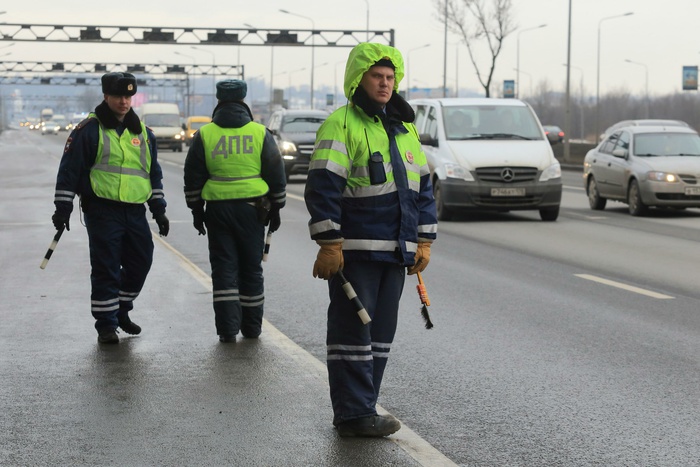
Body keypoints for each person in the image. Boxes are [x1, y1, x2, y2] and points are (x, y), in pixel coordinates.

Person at [304, 43, 438, 437]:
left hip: (396, 253)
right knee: (352, 336)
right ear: (359, 79)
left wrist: (423, 241)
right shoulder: (341, 124)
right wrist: (330, 242)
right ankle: (353, 414)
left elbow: (423, 188)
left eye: (390, 77)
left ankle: (363, 407)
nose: (385, 83)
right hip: (356, 252)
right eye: (377, 76)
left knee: (379, 337)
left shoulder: (405, 128)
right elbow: (323, 187)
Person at [51, 72, 169, 345]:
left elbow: (153, 174)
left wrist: (159, 209)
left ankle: (120, 310)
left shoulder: (144, 134)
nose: (124, 102)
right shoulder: (88, 130)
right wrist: (62, 208)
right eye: (118, 96)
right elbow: (69, 171)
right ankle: (106, 325)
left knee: (141, 262)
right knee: (106, 267)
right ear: (106, 96)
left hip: (135, 211)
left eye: (128, 96)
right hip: (102, 210)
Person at [183, 79, 286, 343]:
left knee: (224, 269)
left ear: (218, 101)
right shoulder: (260, 133)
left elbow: (193, 175)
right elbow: (276, 171)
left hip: (217, 211)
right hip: (253, 211)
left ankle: (227, 330)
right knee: (251, 269)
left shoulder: (205, 135)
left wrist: (196, 209)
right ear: (243, 101)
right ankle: (251, 329)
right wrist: (277, 207)